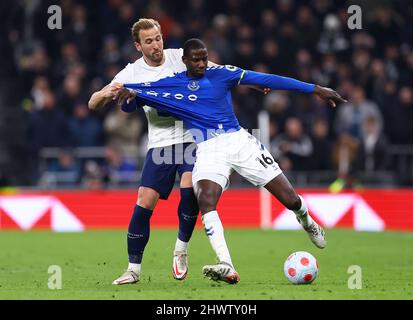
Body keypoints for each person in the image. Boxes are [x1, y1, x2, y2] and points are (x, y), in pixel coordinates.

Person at [122, 38, 347, 284]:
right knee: (205, 199)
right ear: (185, 61)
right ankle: (226, 264)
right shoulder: (172, 85)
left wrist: (315, 89)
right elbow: (132, 101)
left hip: (240, 142)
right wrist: (126, 96)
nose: (201, 64)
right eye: (195, 60)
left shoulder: (221, 74)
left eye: (204, 58)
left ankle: (307, 221)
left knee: (290, 199)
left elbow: (268, 79)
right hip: (208, 149)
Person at [89, 19, 202, 285]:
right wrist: (108, 93)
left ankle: (181, 250)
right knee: (144, 201)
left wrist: (249, 82)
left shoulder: (179, 58)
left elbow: (220, 71)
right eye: (149, 41)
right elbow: (93, 102)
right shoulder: (132, 72)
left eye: (159, 38)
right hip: (160, 146)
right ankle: (133, 270)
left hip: (190, 139)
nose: (156, 45)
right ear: (138, 46)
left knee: (190, 189)